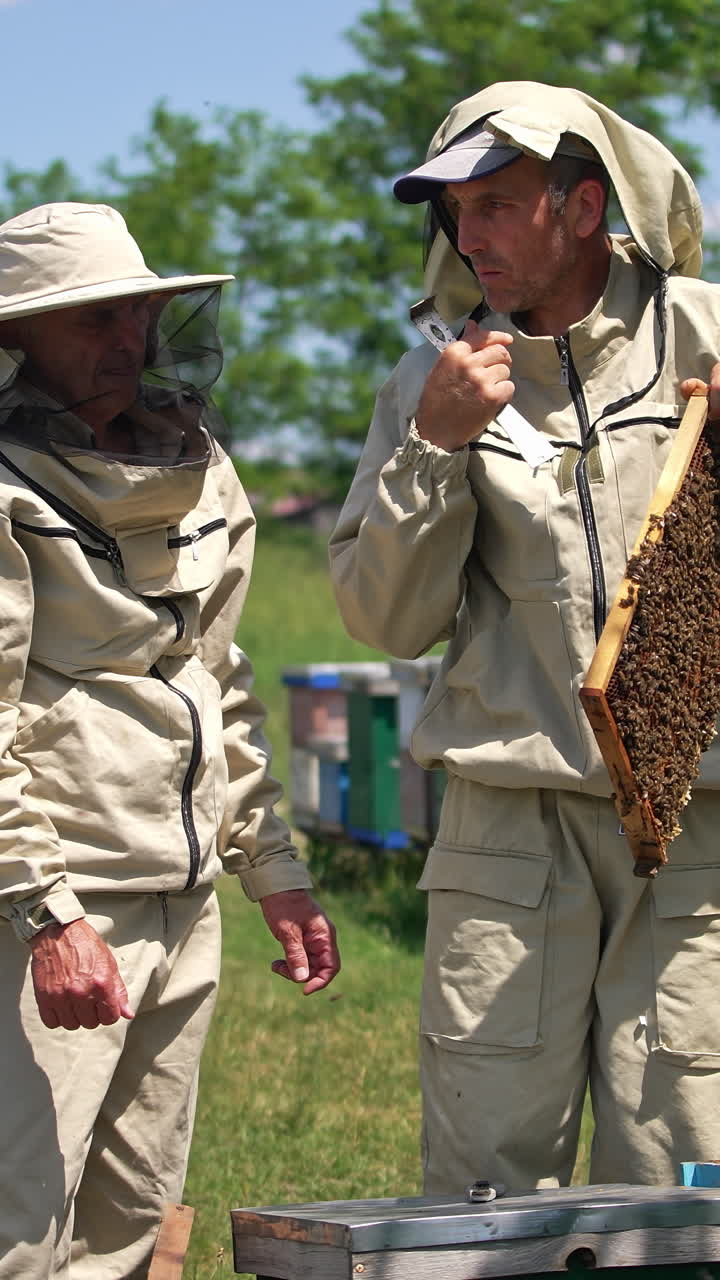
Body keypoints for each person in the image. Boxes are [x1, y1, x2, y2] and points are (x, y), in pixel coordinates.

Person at [329, 81, 720, 1194]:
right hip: (510, 835)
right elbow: (385, 616)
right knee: (487, 1185)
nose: (470, 234)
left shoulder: (708, 336)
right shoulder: (429, 382)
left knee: (688, 1171)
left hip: (695, 822)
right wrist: (434, 450)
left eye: (497, 203)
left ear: (585, 206)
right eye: (456, 211)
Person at [0, 201, 340, 1279]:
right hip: (52, 906)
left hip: (182, 899)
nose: (126, 340)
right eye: (94, 316)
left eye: (139, 311)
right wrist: (45, 912)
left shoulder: (202, 471)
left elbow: (217, 682)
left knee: (132, 1216)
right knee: (19, 1220)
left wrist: (273, 869)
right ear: (17, 338)